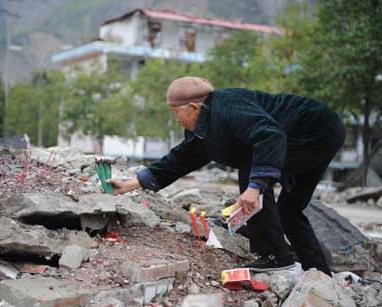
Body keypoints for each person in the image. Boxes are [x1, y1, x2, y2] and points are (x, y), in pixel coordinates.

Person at [107, 76, 345, 276]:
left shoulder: (227, 106)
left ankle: (275, 256)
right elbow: (180, 158)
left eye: (175, 112)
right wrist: (131, 184)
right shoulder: (203, 128)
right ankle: (320, 274)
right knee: (289, 211)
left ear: (193, 107)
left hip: (314, 129)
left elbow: (270, 136)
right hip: (323, 133)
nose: (175, 118)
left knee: (252, 165)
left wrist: (255, 187)